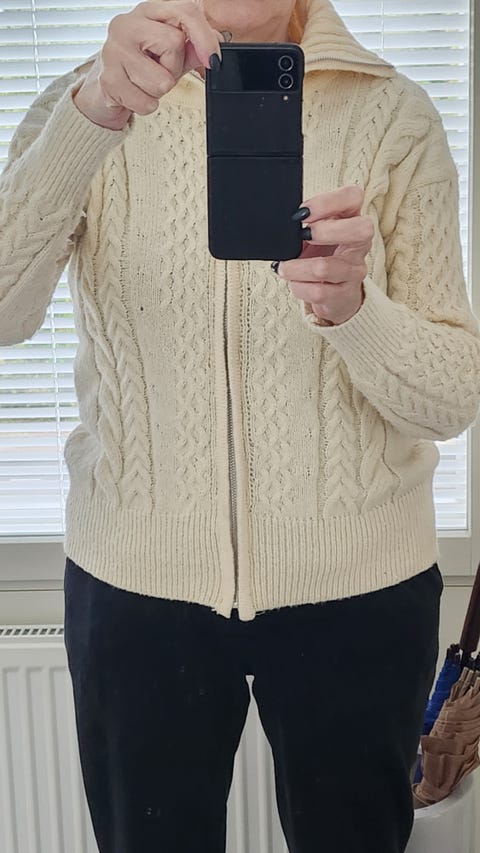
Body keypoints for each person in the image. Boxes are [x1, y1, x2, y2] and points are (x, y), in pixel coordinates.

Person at [1, 0, 479, 851]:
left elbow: (450, 399)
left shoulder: (394, 115)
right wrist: (92, 119)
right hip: (136, 581)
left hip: (360, 583)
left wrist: (355, 310)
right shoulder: (82, 104)